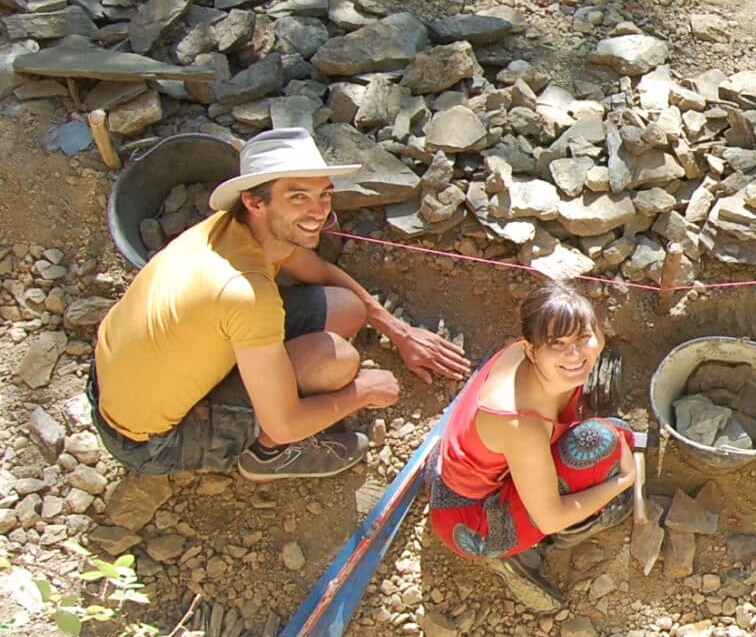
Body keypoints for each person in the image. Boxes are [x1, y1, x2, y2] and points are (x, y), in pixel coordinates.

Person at [90, 127, 469, 482]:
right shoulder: (246, 294)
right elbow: (287, 422)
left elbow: (316, 270)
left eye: (324, 194)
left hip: (129, 375)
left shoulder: (237, 229)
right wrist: (364, 392)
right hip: (148, 440)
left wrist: (398, 331)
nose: (319, 211)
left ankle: (252, 392)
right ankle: (266, 457)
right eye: (297, 197)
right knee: (337, 362)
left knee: (348, 308)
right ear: (255, 201)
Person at [426, 281, 639, 612]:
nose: (575, 353)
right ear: (531, 349)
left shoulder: (536, 355)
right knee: (602, 444)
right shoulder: (521, 424)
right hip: (472, 520)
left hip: (469, 470)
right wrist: (621, 482)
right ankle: (529, 550)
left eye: (584, 337)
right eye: (559, 343)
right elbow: (551, 516)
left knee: (614, 433)